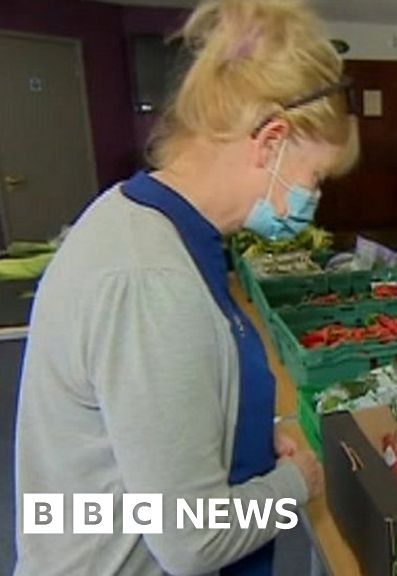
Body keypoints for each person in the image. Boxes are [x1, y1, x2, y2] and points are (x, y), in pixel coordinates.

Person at [14, 1, 358, 574]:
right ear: (270, 142)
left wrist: (237, 439)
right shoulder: (151, 280)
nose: (313, 199)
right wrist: (296, 483)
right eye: (315, 178)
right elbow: (190, 541)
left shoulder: (137, 218)